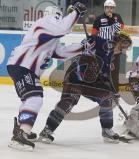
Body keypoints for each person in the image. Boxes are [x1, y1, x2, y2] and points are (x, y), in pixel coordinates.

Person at [7, 3, 87, 151]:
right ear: (53, 15)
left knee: (29, 98)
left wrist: (82, 47)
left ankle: (20, 128)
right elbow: (64, 27)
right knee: (35, 97)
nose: (59, 18)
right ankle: (21, 135)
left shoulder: (50, 35)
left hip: (23, 67)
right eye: (58, 16)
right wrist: (75, 12)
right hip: (23, 65)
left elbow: (60, 53)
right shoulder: (44, 23)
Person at [38, 31, 132, 144]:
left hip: (90, 82)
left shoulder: (112, 59)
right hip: (75, 77)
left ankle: (107, 129)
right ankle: (47, 130)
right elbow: (88, 41)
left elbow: (108, 77)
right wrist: (89, 42)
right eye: (124, 45)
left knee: (107, 98)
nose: (124, 49)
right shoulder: (101, 43)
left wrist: (113, 91)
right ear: (117, 41)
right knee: (67, 102)